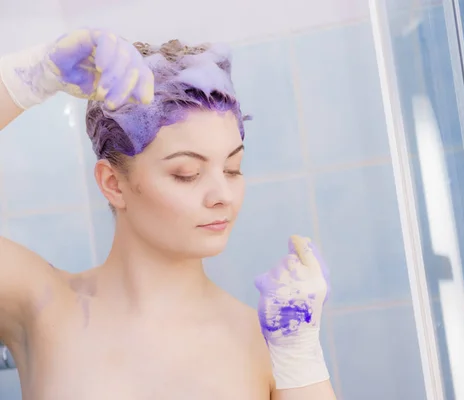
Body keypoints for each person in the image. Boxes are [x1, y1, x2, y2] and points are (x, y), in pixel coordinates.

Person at [0, 29, 336, 399]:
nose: (223, 195)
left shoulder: (267, 344)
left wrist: (300, 357)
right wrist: (28, 79)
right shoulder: (40, 304)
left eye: (233, 169)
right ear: (113, 184)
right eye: (186, 174)